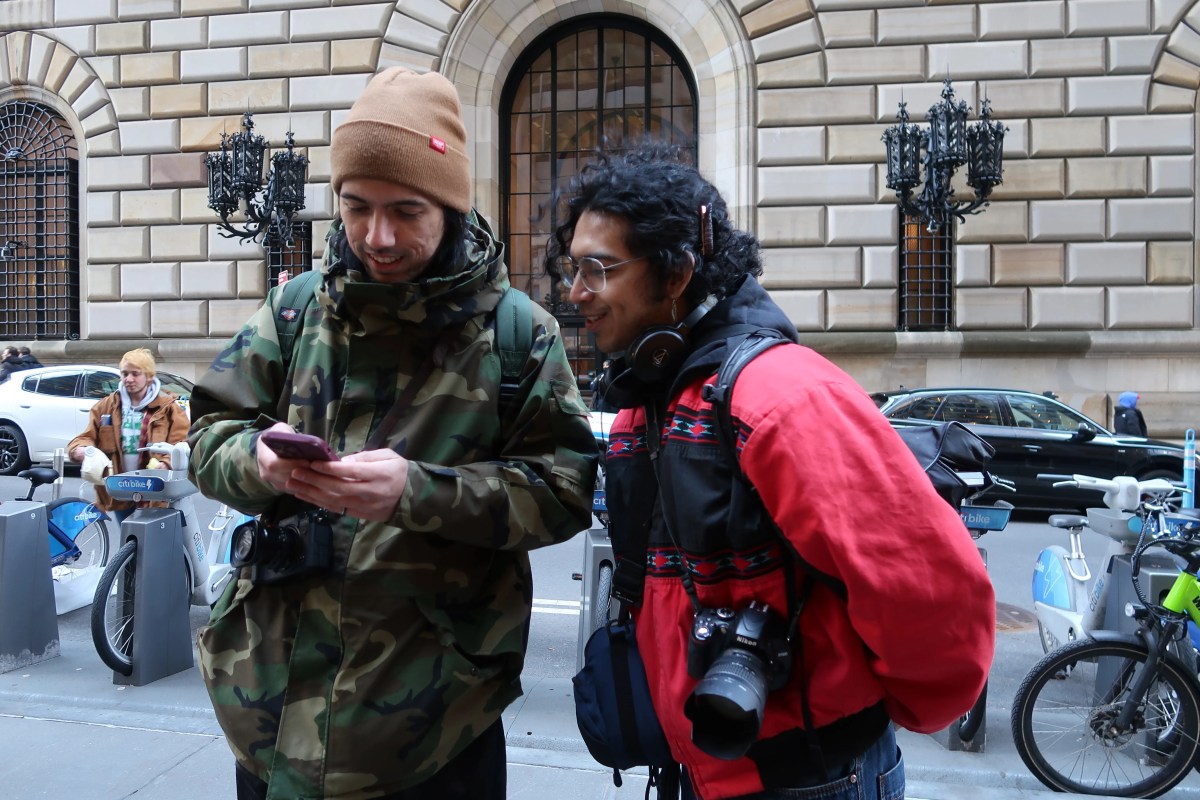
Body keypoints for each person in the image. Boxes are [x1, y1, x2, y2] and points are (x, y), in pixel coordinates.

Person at [186, 67, 596, 800]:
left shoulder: (517, 335)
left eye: (407, 210)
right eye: (356, 207)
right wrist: (258, 461)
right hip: (274, 714)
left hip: (435, 728)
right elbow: (209, 435)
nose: (378, 236)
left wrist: (419, 493)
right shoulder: (292, 311)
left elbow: (564, 490)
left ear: (450, 205)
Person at [550, 146, 995, 800]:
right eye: (573, 268)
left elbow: (929, 595)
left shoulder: (780, 399)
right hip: (707, 772)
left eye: (598, 269)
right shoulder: (651, 405)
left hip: (812, 779)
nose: (576, 292)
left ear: (675, 274)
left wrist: (850, 718)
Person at [67, 348, 190, 519]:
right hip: (120, 491)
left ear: (148, 376)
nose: (129, 379)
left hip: (155, 490)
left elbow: (182, 443)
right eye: (124, 374)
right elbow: (86, 437)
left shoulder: (169, 408)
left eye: (135, 374)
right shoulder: (106, 406)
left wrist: (166, 463)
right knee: (128, 540)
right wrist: (81, 449)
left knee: (154, 540)